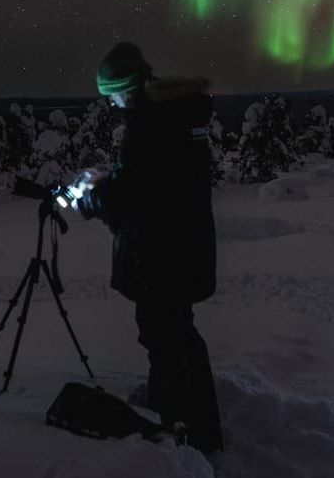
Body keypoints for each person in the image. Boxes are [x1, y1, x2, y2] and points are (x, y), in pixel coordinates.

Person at [73, 41, 224, 457]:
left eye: (112, 95)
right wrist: (114, 180)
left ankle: (179, 431)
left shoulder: (150, 123)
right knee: (179, 335)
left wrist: (93, 198)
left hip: (162, 257)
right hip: (183, 250)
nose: (113, 105)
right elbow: (158, 183)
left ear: (126, 87)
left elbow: (138, 196)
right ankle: (200, 426)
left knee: (164, 339)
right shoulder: (175, 116)